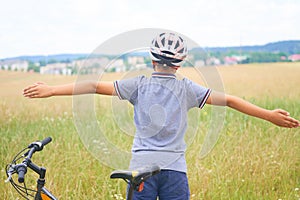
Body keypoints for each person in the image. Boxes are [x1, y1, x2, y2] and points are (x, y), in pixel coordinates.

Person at [23, 32, 300, 200]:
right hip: (175, 170)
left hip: (140, 169)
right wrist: (268, 115)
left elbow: (94, 86)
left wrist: (51, 90)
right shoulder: (187, 88)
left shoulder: (139, 84)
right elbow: (229, 100)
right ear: (179, 64)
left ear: (152, 60)